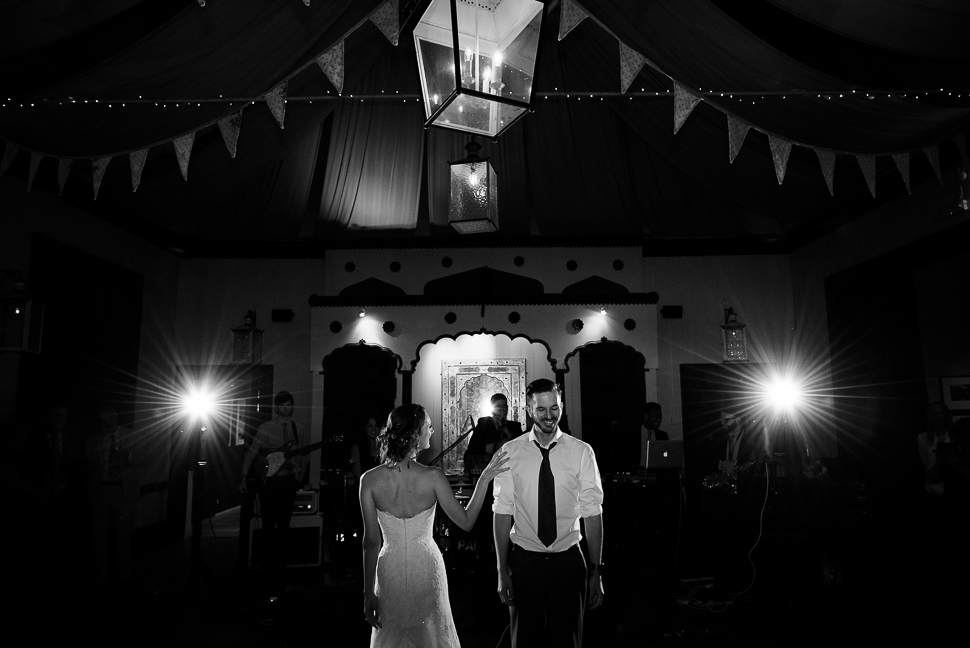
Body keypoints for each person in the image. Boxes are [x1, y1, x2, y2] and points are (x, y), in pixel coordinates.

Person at [359, 404, 508, 647]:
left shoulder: (369, 480)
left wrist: (368, 594)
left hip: (390, 568)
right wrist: (484, 479)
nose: (433, 431)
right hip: (427, 566)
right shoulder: (433, 477)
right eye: (429, 426)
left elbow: (371, 543)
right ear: (416, 434)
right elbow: (467, 521)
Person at [493, 378, 605, 648]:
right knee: (523, 641)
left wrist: (596, 571)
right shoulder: (510, 452)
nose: (549, 416)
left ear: (562, 406)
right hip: (524, 564)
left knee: (568, 641)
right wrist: (501, 570)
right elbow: (501, 513)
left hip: (568, 563)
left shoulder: (582, 452)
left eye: (554, 408)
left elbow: (593, 514)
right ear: (530, 410)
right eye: (541, 410)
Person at [239, 391, 307, 576]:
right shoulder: (266, 427)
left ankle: (281, 564)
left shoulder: (298, 428)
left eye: (289, 404)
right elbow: (252, 452)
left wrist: (298, 473)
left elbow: (299, 452)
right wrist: (244, 476)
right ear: (277, 407)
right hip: (269, 482)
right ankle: (265, 564)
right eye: (283, 405)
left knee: (284, 522)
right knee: (268, 522)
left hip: (288, 480)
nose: (286, 408)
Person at [463, 393, 524, 570]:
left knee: (511, 522)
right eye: (499, 406)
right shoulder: (483, 424)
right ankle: (484, 561)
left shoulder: (514, 427)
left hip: (510, 486)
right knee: (483, 523)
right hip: (488, 486)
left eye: (505, 407)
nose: (503, 410)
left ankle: (509, 563)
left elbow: (521, 450)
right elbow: (471, 454)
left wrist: (506, 433)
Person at [87, 406, 144, 586]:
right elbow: (87, 467)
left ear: (116, 418)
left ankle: (124, 573)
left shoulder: (132, 435)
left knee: (123, 534)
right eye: (102, 420)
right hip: (101, 489)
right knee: (99, 535)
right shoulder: (93, 441)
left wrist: (128, 456)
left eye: (109, 419)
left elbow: (145, 458)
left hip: (122, 489)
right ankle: (102, 575)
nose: (106, 423)